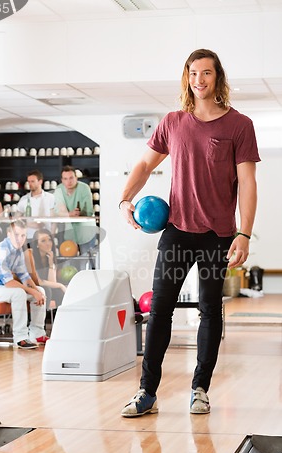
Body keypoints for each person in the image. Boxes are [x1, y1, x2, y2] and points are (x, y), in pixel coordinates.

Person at [119, 48, 260, 417]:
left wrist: (244, 233)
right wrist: (124, 199)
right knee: (160, 310)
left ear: (218, 78)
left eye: (206, 73)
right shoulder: (173, 122)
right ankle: (146, 392)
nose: (199, 80)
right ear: (187, 78)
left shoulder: (238, 125)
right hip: (177, 232)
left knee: (210, 311)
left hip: (218, 237)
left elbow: (247, 183)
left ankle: (200, 389)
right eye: (193, 73)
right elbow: (145, 164)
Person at [0, 219, 47, 349]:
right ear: (9, 234)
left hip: (0, 288)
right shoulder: (2, 251)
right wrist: (33, 292)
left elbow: (24, 276)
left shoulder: (18, 251)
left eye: (23, 235)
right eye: (16, 235)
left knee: (41, 291)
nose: (20, 239)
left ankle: (37, 333)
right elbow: (9, 283)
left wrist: (36, 290)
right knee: (18, 293)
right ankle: (20, 338)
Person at [53, 166, 97, 255]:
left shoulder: (84, 188)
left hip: (86, 231)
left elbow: (89, 211)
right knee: (69, 262)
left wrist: (74, 213)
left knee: (86, 262)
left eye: (71, 178)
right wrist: (70, 214)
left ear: (76, 178)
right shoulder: (59, 189)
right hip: (70, 233)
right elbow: (59, 211)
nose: (69, 181)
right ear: (62, 180)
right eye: (65, 179)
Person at [25, 228, 67, 308]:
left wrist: (51, 264)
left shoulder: (50, 256)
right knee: (47, 290)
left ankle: (58, 317)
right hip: (29, 286)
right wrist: (61, 285)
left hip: (42, 287)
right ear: (37, 244)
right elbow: (37, 281)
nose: (48, 243)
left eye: (49, 240)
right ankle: (43, 318)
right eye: (43, 241)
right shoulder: (30, 254)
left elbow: (52, 282)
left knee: (57, 291)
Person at [16, 169, 55, 241]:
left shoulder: (50, 197)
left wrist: (52, 236)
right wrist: (29, 224)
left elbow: (54, 220)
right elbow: (17, 219)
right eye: (29, 181)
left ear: (40, 181)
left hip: (46, 237)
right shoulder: (24, 199)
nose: (30, 184)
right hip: (29, 237)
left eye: (33, 181)